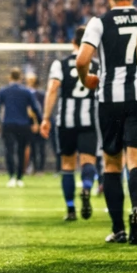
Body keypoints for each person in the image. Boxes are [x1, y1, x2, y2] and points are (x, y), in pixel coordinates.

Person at [77, 0, 137, 244]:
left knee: (111, 164)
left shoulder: (100, 22)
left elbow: (82, 59)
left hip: (109, 99)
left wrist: (87, 80)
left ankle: (119, 227)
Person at [41, 27, 99, 222]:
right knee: (88, 161)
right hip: (90, 120)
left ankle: (71, 208)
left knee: (67, 164)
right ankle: (87, 187)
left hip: (66, 121)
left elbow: (52, 89)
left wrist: (46, 117)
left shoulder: (61, 63)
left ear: (73, 42)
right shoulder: (97, 64)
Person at [0, 68, 42, 187]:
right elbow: (35, 108)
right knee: (21, 151)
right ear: (20, 78)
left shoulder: (4, 91)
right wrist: (41, 121)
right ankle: (19, 177)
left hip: (8, 124)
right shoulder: (27, 92)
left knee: (9, 151)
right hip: (23, 125)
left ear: (10, 77)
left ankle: (11, 176)